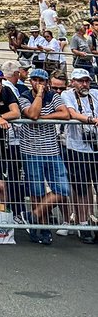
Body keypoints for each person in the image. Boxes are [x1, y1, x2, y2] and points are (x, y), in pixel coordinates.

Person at [17, 67, 71, 244]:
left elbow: (65, 114)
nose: (38, 84)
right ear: (30, 81)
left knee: (62, 190)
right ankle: (42, 228)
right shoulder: (24, 96)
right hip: (31, 150)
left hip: (51, 150)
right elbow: (32, 114)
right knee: (37, 192)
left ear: (47, 82)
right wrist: (39, 96)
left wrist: (44, 117)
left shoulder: (54, 96)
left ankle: (32, 216)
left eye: (42, 81)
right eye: (35, 80)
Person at [60, 68, 98, 242]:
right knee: (81, 187)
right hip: (77, 148)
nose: (84, 84)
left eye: (87, 81)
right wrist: (91, 120)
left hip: (95, 148)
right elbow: (72, 113)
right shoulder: (67, 95)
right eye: (81, 81)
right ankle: (83, 224)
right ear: (73, 82)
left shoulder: (95, 94)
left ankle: (92, 220)